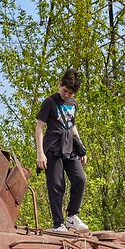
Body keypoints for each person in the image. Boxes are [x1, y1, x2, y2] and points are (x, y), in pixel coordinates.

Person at [35, 68, 88, 232]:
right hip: (53, 147)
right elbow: (39, 128)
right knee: (57, 185)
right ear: (60, 84)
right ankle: (58, 224)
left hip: (70, 145)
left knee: (80, 179)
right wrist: (40, 153)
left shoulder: (73, 103)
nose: (66, 95)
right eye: (65, 91)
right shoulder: (49, 102)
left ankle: (72, 216)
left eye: (70, 93)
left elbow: (73, 126)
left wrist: (81, 149)